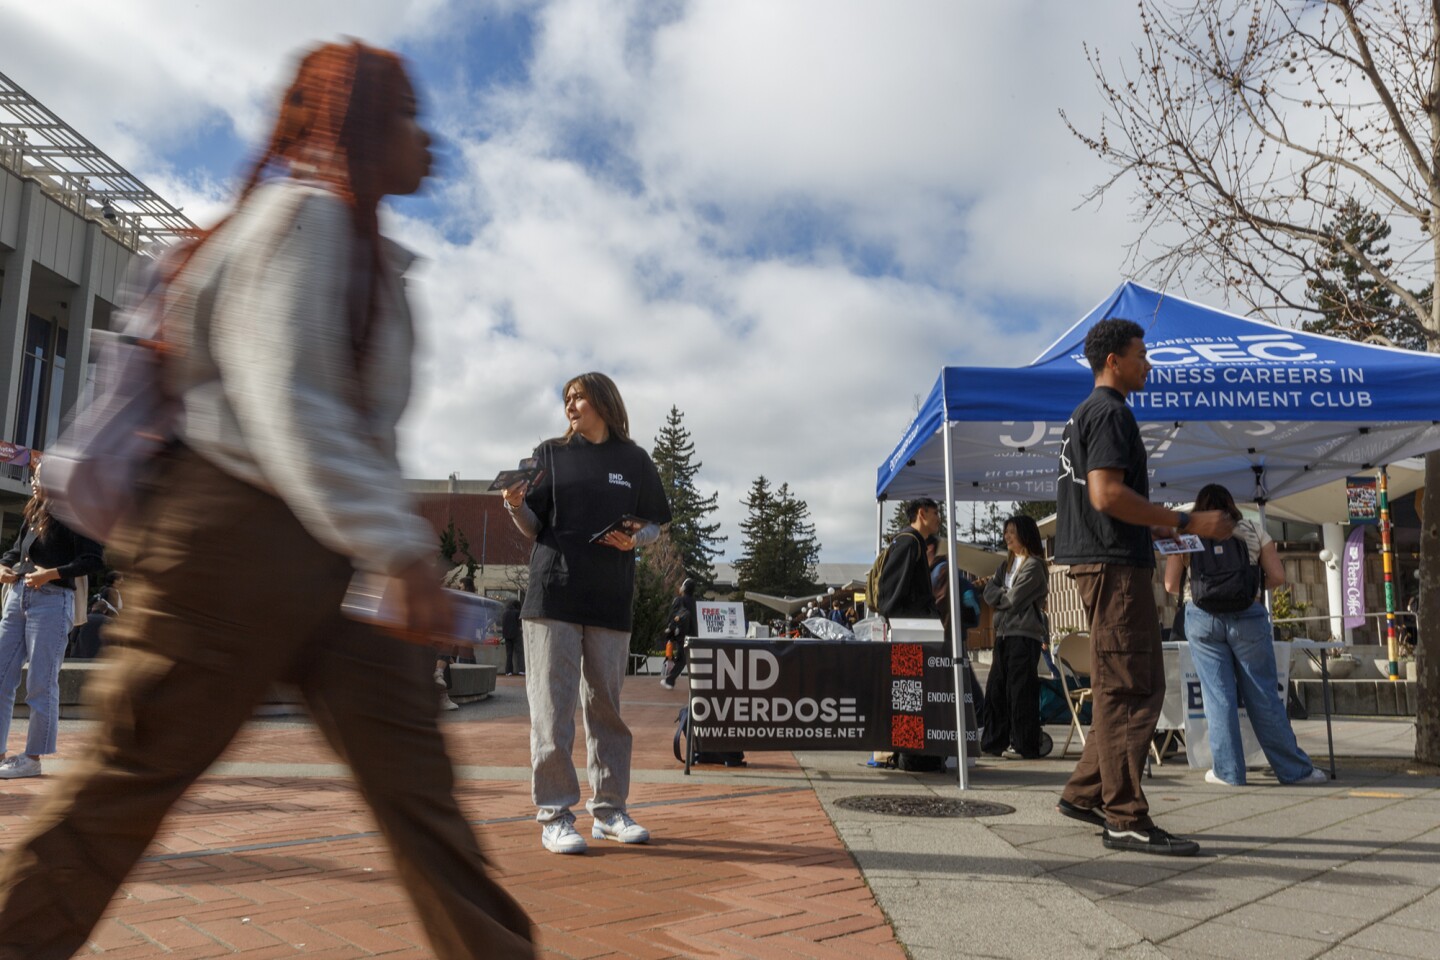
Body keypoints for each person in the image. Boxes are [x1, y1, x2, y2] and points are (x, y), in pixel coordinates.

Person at [0, 42, 534, 960]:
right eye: (407, 115)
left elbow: (346, 432)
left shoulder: (370, 255)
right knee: (122, 796)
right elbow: (289, 401)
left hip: (331, 555)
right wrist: (399, 547)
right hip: (227, 543)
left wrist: (387, 549)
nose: (429, 138)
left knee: (421, 795)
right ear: (361, 126)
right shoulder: (300, 222)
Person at [1053, 317, 1234, 858]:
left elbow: (1103, 502)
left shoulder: (1084, 415)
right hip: (1113, 568)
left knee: (1121, 683)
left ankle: (1085, 793)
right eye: (1141, 354)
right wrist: (1187, 524)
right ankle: (1126, 817)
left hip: (1103, 561)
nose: (1147, 364)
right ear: (1114, 361)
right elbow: (1107, 495)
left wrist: (1155, 524)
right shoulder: (1110, 413)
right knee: (1133, 687)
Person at [502, 372, 672, 855]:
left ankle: (610, 811)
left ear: (603, 401)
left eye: (579, 396)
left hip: (610, 599)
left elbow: (656, 523)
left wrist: (636, 537)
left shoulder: (635, 460)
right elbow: (534, 526)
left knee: (607, 711)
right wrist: (515, 505)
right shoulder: (550, 455)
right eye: (567, 398)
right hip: (552, 596)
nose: (571, 405)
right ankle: (555, 816)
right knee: (552, 710)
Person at [1164, 484, 1325, 787]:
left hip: (1202, 618)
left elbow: (1171, 585)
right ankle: (1295, 772)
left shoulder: (1189, 535)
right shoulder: (1252, 530)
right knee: (1263, 695)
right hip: (1248, 616)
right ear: (1230, 505)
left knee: (1218, 695)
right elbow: (1277, 577)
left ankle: (1228, 772)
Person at [0, 472, 104, 779]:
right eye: (33, 475)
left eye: (41, 475)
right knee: (1, 677)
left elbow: (93, 560)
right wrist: (4, 567)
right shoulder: (35, 509)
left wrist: (51, 574)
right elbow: (15, 552)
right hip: (18, 596)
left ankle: (33, 758)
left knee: (41, 682)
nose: (34, 481)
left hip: (52, 600)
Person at [977, 515, 1050, 759]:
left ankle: (1024, 745)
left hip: (1024, 635)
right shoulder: (1005, 566)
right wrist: (1002, 594)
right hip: (1003, 634)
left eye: (1012, 532)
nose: (1007, 536)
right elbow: (989, 592)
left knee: (1020, 691)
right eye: (1005, 531)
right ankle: (993, 742)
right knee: (996, 690)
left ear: (1024, 534)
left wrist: (1002, 594)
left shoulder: (1034, 566)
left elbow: (1013, 599)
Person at [877, 498, 942, 619]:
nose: (939, 519)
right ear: (922, 513)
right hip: (910, 627)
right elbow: (894, 588)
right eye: (935, 513)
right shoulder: (909, 542)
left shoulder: (914, 542)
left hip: (914, 625)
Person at [660, 578, 697, 690]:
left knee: (682, 659)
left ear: (684, 588)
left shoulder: (679, 600)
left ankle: (670, 680)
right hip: (693, 634)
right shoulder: (694, 602)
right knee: (687, 658)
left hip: (682, 634)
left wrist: (670, 630)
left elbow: (672, 617)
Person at [501, 596, 524, 676]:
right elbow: (520, 624)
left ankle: (508, 671)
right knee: (519, 653)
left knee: (509, 654)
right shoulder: (517, 612)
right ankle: (521, 670)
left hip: (507, 635)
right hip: (516, 634)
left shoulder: (505, 612)